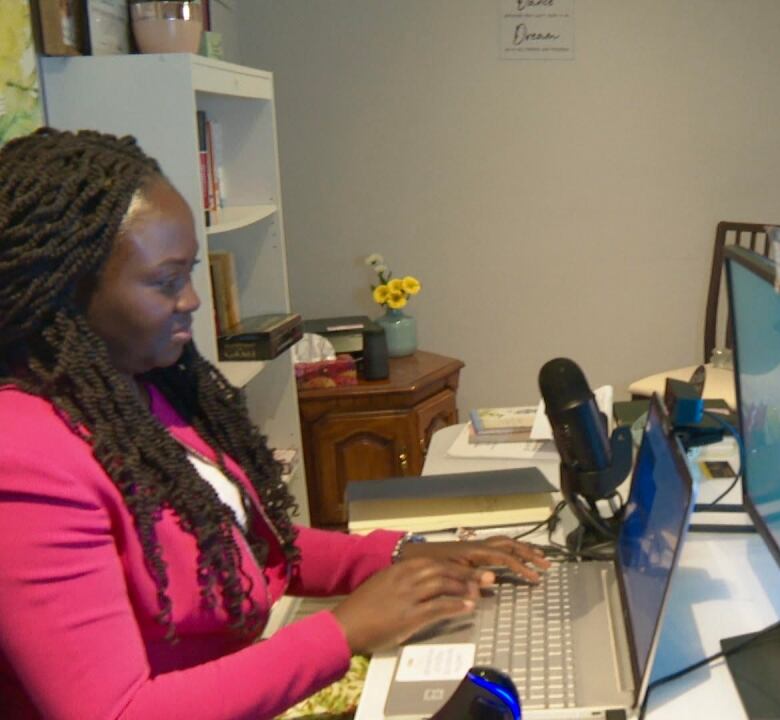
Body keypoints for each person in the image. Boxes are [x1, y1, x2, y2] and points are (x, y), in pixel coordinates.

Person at [0, 128, 549, 720]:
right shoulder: (24, 457)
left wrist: (406, 559)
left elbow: (250, 547)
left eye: (190, 276)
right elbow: (116, 712)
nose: (191, 301)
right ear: (63, 292)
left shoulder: (136, 386)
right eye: (166, 281)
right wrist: (345, 631)